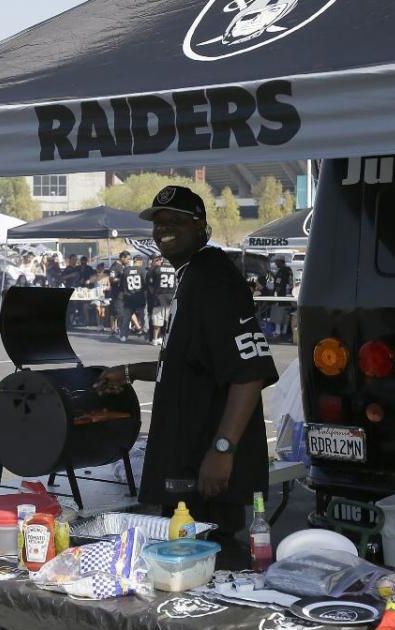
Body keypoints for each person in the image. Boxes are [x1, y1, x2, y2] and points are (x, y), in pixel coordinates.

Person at [95, 186, 278, 554]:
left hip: (205, 467)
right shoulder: (191, 275)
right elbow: (186, 363)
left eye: (176, 221)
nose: (164, 229)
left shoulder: (214, 279)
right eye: (159, 222)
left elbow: (248, 371)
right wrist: (128, 372)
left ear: (201, 227)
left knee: (208, 559)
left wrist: (222, 449)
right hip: (184, 458)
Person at [117, 255, 147, 343]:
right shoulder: (142, 270)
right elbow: (145, 285)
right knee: (143, 319)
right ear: (139, 261)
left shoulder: (126, 271)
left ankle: (123, 336)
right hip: (139, 297)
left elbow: (121, 285)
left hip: (128, 297)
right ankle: (147, 336)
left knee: (126, 319)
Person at [147, 256, 176, 346]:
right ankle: (166, 339)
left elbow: (150, 284)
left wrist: (154, 294)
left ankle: (155, 339)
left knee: (157, 320)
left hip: (159, 298)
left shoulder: (157, 269)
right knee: (169, 321)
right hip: (170, 297)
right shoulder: (174, 269)